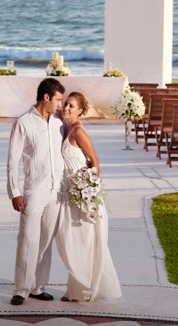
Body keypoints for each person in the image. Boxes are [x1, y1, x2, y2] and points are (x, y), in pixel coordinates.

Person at [56, 91, 122, 302]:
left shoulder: (78, 131)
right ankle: (76, 289)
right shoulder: (63, 127)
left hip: (81, 195)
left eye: (72, 106)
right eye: (66, 104)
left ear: (81, 111)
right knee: (72, 240)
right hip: (69, 192)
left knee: (83, 240)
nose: (66, 108)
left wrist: (88, 193)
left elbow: (95, 161)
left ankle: (83, 290)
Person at [7, 78, 66, 306]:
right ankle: (21, 289)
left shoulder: (58, 124)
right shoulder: (23, 123)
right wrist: (14, 192)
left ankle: (38, 287)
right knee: (27, 240)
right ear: (46, 97)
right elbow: (12, 161)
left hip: (57, 190)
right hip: (34, 190)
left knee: (45, 242)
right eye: (58, 99)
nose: (60, 104)